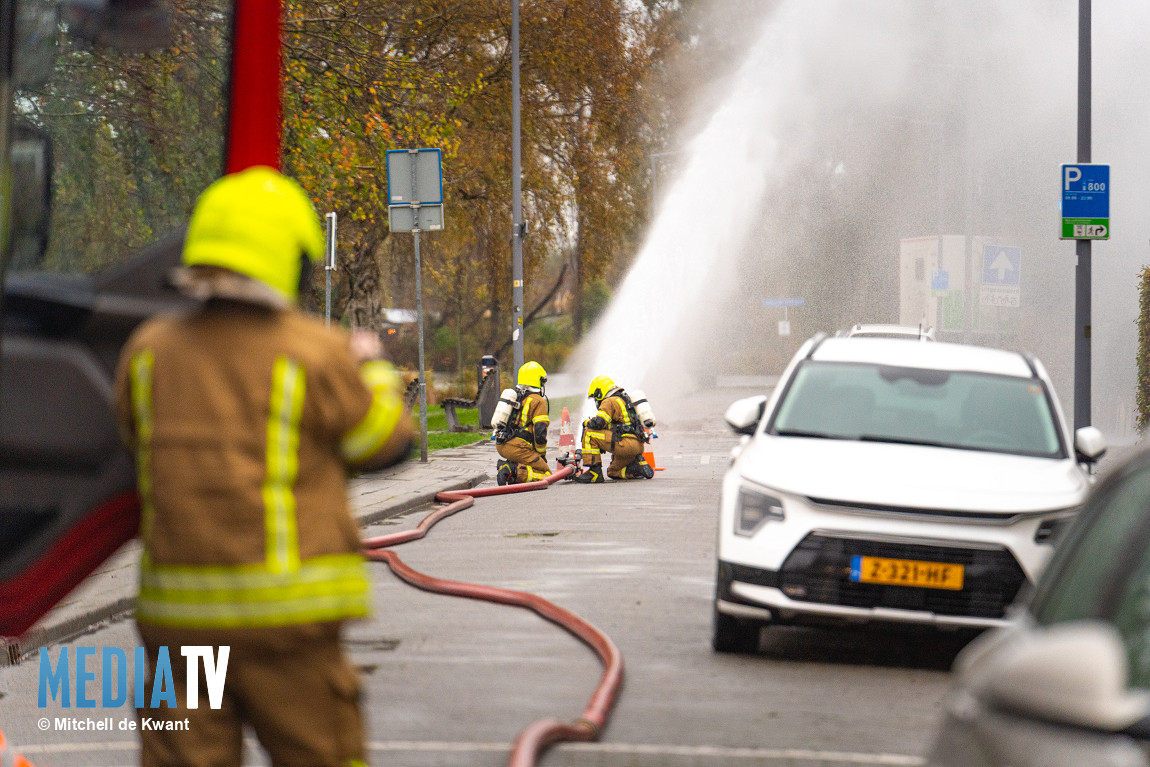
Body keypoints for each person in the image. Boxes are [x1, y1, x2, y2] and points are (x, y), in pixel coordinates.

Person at [114, 166, 414, 767]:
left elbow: (133, 449)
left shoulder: (147, 351)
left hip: (182, 629)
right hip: (290, 626)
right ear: (292, 262)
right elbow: (383, 444)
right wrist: (374, 369)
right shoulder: (314, 352)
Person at [573, 375, 654, 483]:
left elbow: (599, 422)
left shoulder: (609, 401)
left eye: (595, 397)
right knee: (614, 472)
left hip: (625, 444)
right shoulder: (625, 400)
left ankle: (594, 473)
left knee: (589, 433)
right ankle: (635, 468)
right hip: (637, 446)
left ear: (599, 392)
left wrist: (587, 422)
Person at [495, 361, 551, 485]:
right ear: (538, 380)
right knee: (546, 474)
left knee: (533, 465)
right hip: (517, 448)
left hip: (502, 444)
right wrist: (541, 454)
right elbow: (540, 432)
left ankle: (509, 466)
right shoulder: (538, 400)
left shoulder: (517, 397)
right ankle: (512, 471)